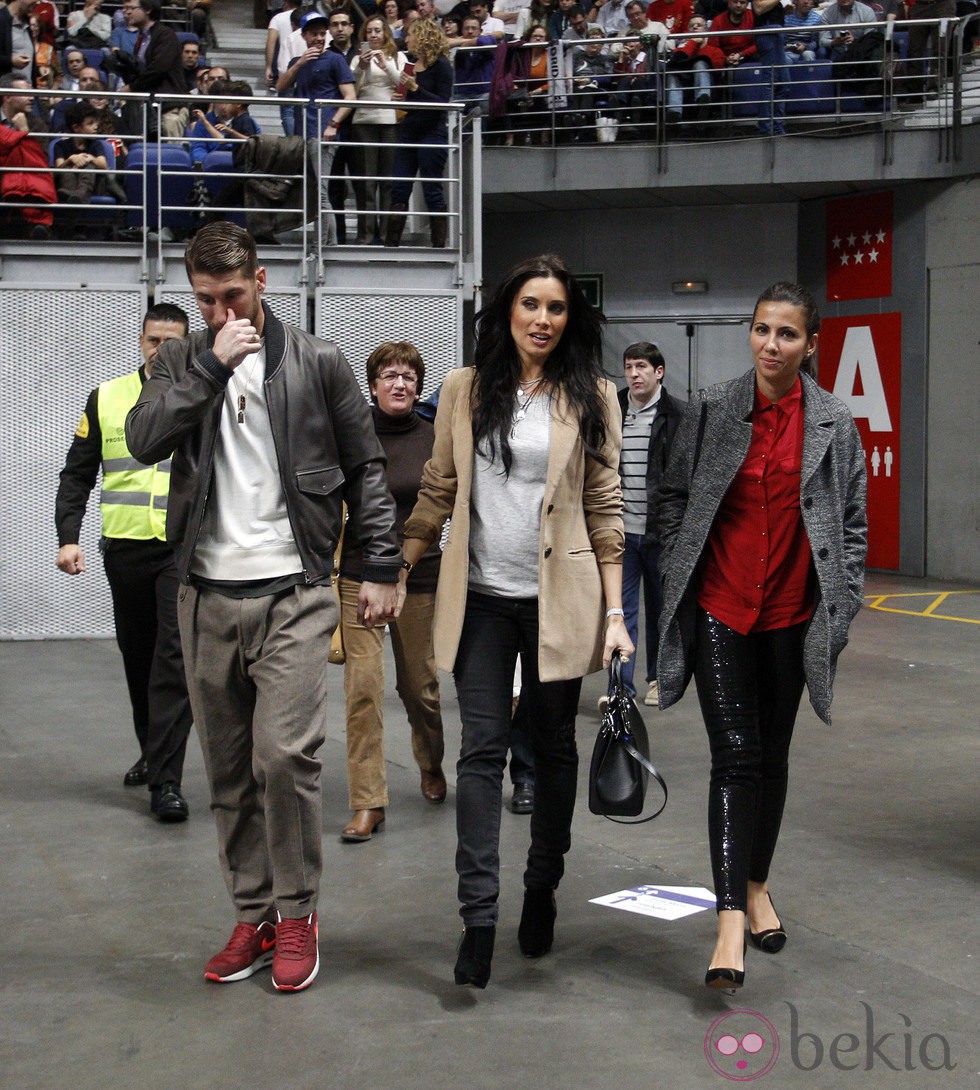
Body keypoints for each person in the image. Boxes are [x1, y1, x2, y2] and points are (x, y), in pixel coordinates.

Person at [125, 221, 402, 994]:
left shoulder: (318, 361)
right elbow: (144, 438)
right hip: (205, 592)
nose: (221, 312)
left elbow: (365, 468)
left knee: (283, 757)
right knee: (228, 769)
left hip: (297, 588)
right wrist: (209, 368)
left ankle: (299, 911)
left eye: (233, 296)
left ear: (264, 282)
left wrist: (378, 566)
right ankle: (253, 914)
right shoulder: (183, 359)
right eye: (206, 300)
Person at [401, 253, 633, 989]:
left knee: (556, 748)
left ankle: (542, 888)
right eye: (530, 304)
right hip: (481, 599)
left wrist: (618, 612)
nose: (542, 319)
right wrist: (398, 568)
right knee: (480, 752)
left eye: (556, 308)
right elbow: (438, 490)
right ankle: (478, 915)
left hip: (559, 600)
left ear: (571, 319)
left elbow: (605, 506)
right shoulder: (465, 390)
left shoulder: (593, 394)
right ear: (507, 310)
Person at [657, 281, 867, 993]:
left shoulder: (835, 420)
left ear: (811, 345)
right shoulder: (715, 408)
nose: (770, 345)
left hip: (792, 617)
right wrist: (677, 562)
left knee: (771, 759)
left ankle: (756, 886)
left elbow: (853, 522)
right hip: (722, 608)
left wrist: (844, 601)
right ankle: (726, 922)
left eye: (786, 334)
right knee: (735, 759)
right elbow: (674, 497)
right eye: (761, 330)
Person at [55, 304, 194, 822]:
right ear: (140, 340)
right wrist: (68, 537)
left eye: (172, 342)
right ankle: (151, 751)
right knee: (138, 656)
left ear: (188, 344)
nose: (161, 350)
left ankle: (167, 782)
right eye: (154, 340)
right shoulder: (107, 397)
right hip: (126, 548)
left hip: (181, 549)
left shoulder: (202, 395)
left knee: (173, 657)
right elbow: (78, 475)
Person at [337, 341, 447, 842]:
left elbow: (444, 507)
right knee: (363, 690)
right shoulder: (352, 435)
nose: (399, 383)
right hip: (358, 577)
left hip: (418, 578)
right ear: (373, 384)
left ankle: (430, 761)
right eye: (389, 376)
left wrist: (404, 567)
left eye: (408, 376)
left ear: (418, 385)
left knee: (419, 688)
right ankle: (369, 802)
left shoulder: (433, 437)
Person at [612, 341, 683, 707]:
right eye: (628, 367)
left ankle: (658, 679)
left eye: (641, 366)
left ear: (659, 372)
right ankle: (621, 687)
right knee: (621, 611)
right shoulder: (613, 410)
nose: (634, 374)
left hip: (660, 534)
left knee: (660, 611)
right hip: (622, 534)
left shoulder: (677, 416)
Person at [275, 9, 355, 244]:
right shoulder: (297, 62)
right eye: (314, 34)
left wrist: (333, 124)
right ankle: (326, 243)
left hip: (324, 134)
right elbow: (281, 87)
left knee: (320, 192)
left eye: (323, 33)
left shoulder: (336, 59)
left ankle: (325, 245)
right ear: (304, 36)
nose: (320, 38)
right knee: (314, 192)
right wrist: (299, 63)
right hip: (304, 135)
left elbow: (350, 97)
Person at [386, 18, 452, 248]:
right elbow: (411, 102)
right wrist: (401, 98)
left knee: (431, 188)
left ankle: (438, 246)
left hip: (432, 131)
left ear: (423, 36)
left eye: (410, 34)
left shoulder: (442, 65)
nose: (406, 39)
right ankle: (391, 243)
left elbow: (443, 103)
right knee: (399, 187)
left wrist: (416, 88)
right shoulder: (411, 65)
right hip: (410, 129)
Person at [350, 14, 406, 244]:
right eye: (369, 31)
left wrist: (386, 64)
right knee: (367, 181)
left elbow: (402, 84)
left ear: (385, 33)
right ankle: (365, 235)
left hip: (389, 121)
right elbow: (352, 88)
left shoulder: (397, 56)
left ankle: (385, 235)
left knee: (387, 181)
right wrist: (362, 67)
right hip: (363, 120)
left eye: (377, 31)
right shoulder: (356, 59)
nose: (373, 35)